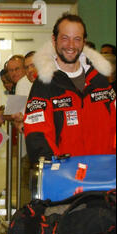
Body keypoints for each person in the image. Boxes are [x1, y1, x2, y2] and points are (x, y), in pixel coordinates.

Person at [23, 13, 116, 165]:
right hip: (64, 180)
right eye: (65, 38)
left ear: (84, 42)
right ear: (54, 40)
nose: (71, 45)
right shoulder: (44, 84)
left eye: (77, 39)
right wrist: (55, 170)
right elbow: (37, 136)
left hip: (104, 177)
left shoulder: (100, 82)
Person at [0, 55, 26, 132]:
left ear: (24, 68)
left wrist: (1, 115)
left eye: (17, 69)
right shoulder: (18, 85)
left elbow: (14, 113)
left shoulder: (23, 82)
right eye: (11, 70)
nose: (14, 73)